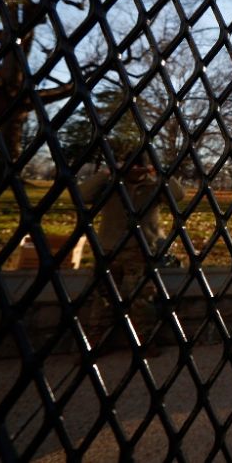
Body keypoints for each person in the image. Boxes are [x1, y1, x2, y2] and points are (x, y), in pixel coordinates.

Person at [79, 150, 185, 355]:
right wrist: (107, 171)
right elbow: (83, 195)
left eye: (139, 166)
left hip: (141, 249)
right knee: (102, 298)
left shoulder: (154, 187)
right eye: (131, 166)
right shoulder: (111, 185)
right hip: (110, 248)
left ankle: (144, 339)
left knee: (141, 298)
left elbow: (178, 195)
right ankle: (96, 340)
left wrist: (160, 172)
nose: (135, 170)